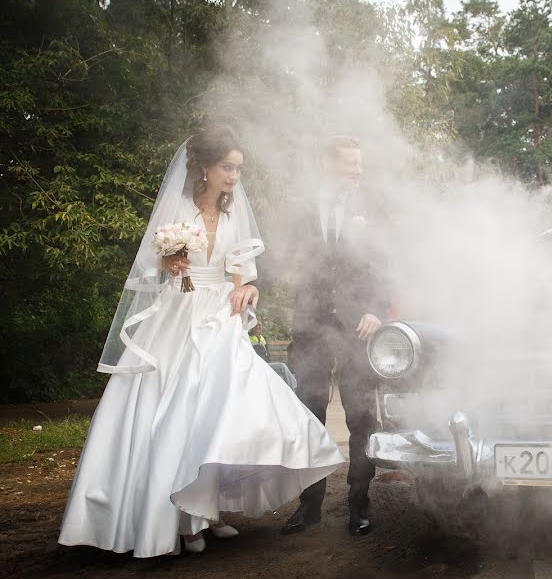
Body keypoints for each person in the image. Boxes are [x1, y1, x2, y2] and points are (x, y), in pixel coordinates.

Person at [58, 124, 344, 557]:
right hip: (177, 317)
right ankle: (178, 521)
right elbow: (150, 269)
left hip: (219, 319)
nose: (234, 176)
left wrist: (249, 290)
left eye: (239, 169)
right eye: (227, 167)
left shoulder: (232, 215)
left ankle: (206, 512)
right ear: (205, 167)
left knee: (216, 416)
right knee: (174, 412)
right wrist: (170, 261)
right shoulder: (176, 207)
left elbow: (243, 276)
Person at [281, 136, 388, 537]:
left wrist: (376, 308)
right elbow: (282, 255)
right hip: (310, 326)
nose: (358, 170)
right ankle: (309, 508)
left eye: (360, 163)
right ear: (329, 166)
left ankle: (360, 505)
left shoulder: (372, 208)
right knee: (308, 414)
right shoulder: (304, 208)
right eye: (350, 164)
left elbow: (387, 262)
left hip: (357, 328)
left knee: (361, 417)